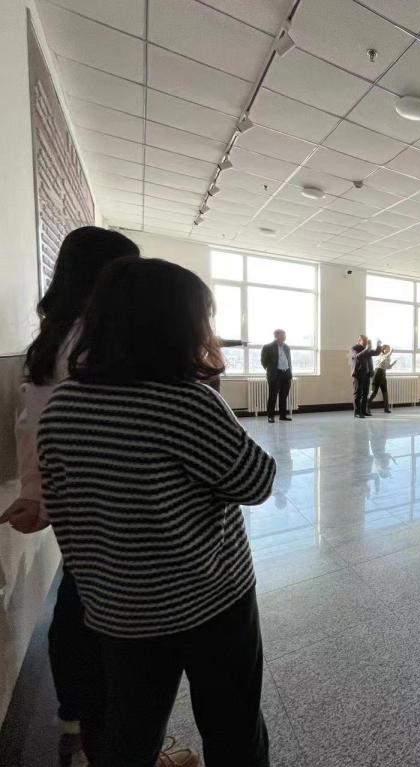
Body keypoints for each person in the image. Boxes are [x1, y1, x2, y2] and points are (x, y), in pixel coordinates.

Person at [36, 257, 275, 766]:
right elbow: (256, 481)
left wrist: (101, 586)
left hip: (120, 609)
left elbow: (62, 509)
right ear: (177, 326)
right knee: (232, 724)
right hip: (212, 599)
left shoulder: (63, 405)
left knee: (131, 729)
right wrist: (213, 400)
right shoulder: (186, 402)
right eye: (205, 318)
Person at [1, 228, 201, 767]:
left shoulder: (53, 339)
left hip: (78, 504)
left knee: (81, 599)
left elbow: (32, 423)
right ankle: (122, 747)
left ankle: (88, 725)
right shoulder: (94, 343)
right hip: (114, 504)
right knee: (113, 629)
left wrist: (37, 495)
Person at [260, 329, 292, 423]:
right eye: (282, 335)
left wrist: (289, 372)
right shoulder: (268, 347)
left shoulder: (287, 347)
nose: (284, 337)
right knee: (273, 396)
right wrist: (270, 370)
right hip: (275, 374)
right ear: (276, 336)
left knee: (283, 396)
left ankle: (283, 415)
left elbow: (289, 361)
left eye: (285, 335)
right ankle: (270, 416)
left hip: (286, 374)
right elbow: (263, 361)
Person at [349, 334, 382, 418]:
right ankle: (357, 412)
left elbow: (376, 353)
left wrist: (378, 344)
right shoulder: (354, 348)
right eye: (365, 340)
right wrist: (366, 349)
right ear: (359, 340)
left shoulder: (367, 349)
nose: (366, 342)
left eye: (367, 340)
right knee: (358, 394)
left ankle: (363, 411)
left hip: (367, 374)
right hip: (358, 374)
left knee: (365, 393)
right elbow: (357, 356)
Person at [369, 344, 396, 413]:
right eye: (387, 349)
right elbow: (385, 357)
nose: (388, 350)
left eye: (389, 349)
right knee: (374, 393)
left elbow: (387, 367)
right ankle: (366, 407)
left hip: (383, 374)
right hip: (377, 374)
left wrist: (393, 364)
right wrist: (391, 352)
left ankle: (386, 409)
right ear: (383, 350)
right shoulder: (381, 355)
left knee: (385, 392)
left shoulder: (388, 357)